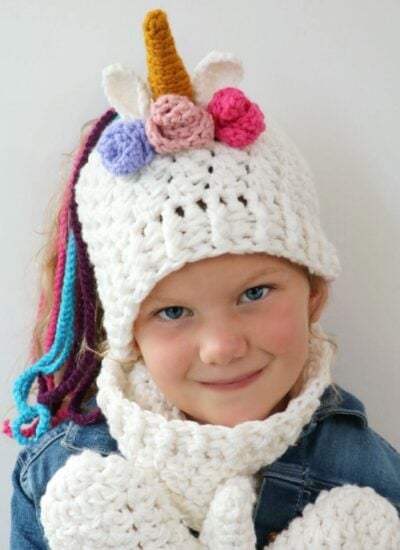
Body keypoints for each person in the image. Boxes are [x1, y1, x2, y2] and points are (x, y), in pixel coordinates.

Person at [7, 8, 400, 550]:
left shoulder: (366, 470)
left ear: (314, 291)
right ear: (126, 331)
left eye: (254, 293)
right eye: (172, 312)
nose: (222, 346)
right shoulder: (60, 468)